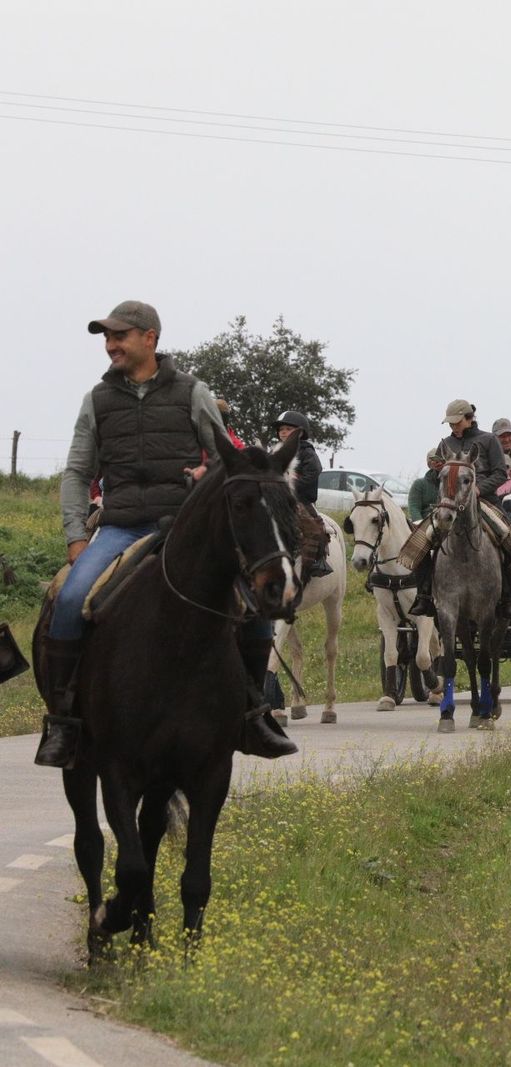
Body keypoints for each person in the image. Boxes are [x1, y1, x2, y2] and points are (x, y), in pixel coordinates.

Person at [36, 299, 295, 767]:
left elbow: (225, 461)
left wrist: (206, 476)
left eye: (119, 336)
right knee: (71, 600)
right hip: (119, 527)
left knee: (255, 607)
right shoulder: (97, 400)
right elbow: (77, 472)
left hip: (183, 527)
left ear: (149, 338)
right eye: (107, 338)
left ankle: (253, 713)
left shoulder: (193, 391)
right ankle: (64, 724)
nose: (110, 345)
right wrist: (76, 538)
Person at [408, 399, 511, 620]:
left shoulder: (488, 440)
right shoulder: (446, 444)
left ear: (469, 419)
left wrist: (478, 490)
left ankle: (508, 598)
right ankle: (424, 596)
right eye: (450, 423)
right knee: (418, 541)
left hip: (485, 502)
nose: (452, 427)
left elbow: (500, 474)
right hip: (450, 504)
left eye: (456, 422)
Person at [274, 411, 332, 578]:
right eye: (281, 429)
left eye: (287, 428)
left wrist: (291, 487)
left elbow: (314, 471)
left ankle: (316, 561)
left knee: (315, 529)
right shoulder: (276, 451)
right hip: (278, 499)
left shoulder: (306, 451)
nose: (283, 432)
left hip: (301, 500)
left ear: (300, 432)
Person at [408, 448, 443, 522]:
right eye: (435, 461)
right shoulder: (419, 484)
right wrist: (420, 526)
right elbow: (414, 508)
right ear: (429, 465)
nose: (439, 463)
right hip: (426, 526)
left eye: (441, 460)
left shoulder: (453, 484)